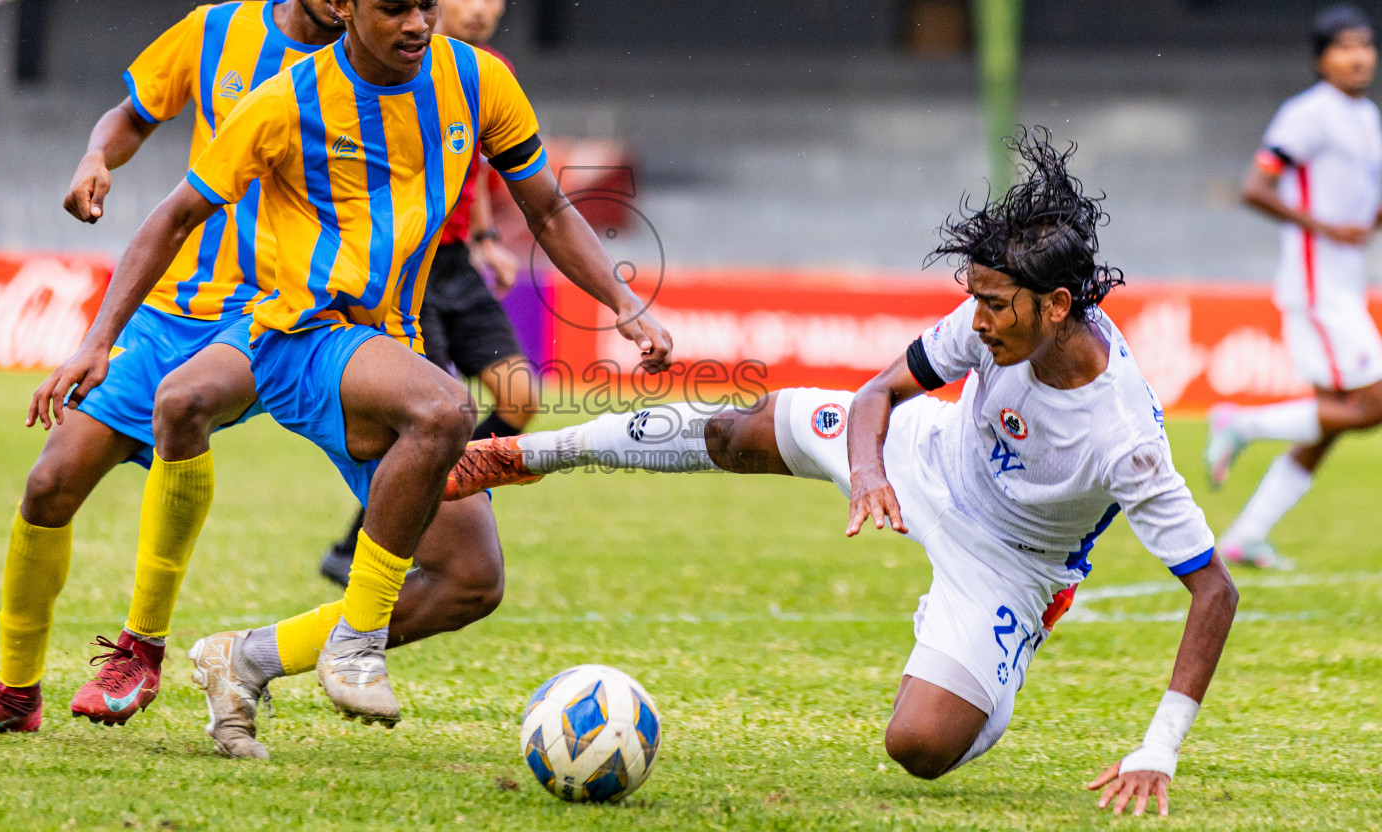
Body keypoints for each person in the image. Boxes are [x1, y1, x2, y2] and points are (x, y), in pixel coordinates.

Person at [28, 0, 672, 759]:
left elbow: (549, 207)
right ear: (344, 5)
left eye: (426, 5)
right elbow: (173, 217)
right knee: (445, 409)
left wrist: (624, 303)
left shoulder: (478, 80)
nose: (416, 25)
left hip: (387, 343)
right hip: (297, 334)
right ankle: (354, 643)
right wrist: (97, 338)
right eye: (393, 8)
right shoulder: (284, 101)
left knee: (470, 582)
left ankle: (243, 659)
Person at [448, 131, 1239, 817]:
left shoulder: (1125, 438)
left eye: (995, 305)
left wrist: (1158, 746)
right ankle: (532, 454)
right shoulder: (989, 319)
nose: (978, 319)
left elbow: (1214, 590)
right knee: (731, 431)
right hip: (924, 450)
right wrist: (868, 472)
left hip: (1013, 562)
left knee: (920, 747)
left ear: (1058, 305)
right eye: (977, 300)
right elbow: (879, 395)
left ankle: (1002, 645)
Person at [0, 0, 386, 737]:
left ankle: (143, 646)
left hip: (286, 318)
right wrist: (97, 158)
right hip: (176, 309)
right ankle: (16, 699)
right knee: (49, 484)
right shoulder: (216, 34)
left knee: (188, 409)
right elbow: (130, 111)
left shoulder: (379, 71)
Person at [319, 0, 540, 586]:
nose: (478, 7)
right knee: (437, 412)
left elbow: (473, 168)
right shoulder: (396, 69)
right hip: (402, 270)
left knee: (521, 399)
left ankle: (415, 516)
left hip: (456, 264)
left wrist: (486, 235)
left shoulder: (488, 72)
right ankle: (383, 541)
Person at [1205, 4, 1382, 570]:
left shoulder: (1366, 116)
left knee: (1332, 419)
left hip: (1344, 283)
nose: (1358, 56)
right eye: (1344, 47)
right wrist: (1324, 227)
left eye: (1366, 44)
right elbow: (1256, 187)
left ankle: (1247, 535)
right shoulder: (1307, 114)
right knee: (1374, 403)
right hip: (1315, 285)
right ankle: (1241, 422)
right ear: (1320, 59)